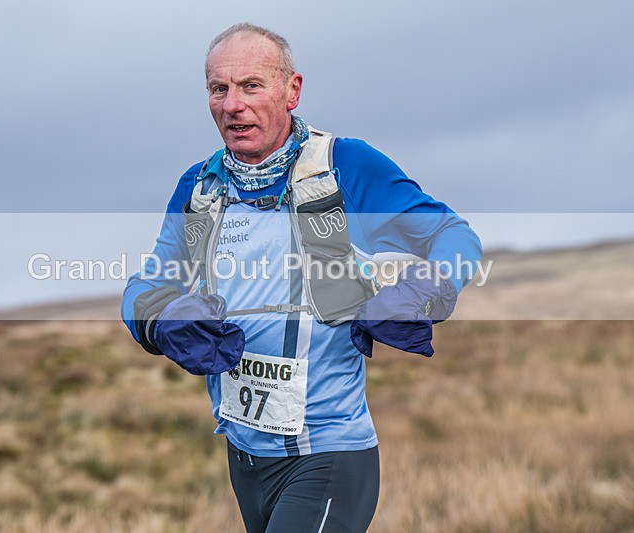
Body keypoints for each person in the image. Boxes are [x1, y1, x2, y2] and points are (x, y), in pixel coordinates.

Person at [122, 22, 482, 532]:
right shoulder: (198, 187)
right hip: (244, 455)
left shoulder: (346, 167)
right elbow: (147, 284)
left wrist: (425, 290)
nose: (232, 104)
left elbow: (454, 237)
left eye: (251, 85)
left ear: (292, 90)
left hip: (329, 454)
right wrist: (161, 319)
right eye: (218, 89)